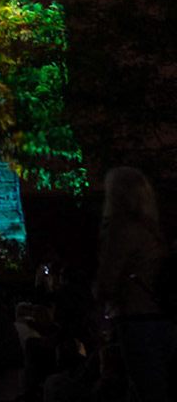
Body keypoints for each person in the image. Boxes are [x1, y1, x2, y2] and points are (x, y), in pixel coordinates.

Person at [96, 166, 170, 402]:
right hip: (161, 314)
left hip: (134, 316)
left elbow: (108, 280)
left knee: (146, 387)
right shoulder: (153, 230)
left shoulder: (120, 230)